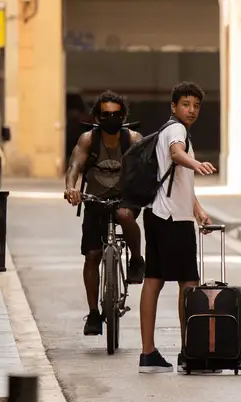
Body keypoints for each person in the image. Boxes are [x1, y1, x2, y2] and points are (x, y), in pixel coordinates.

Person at [137, 82, 218, 374]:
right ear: (174, 106)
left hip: (159, 214)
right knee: (189, 284)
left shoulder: (169, 128)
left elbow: (176, 179)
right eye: (186, 104)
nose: (192, 110)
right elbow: (176, 154)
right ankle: (192, 353)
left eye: (196, 105)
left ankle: (148, 354)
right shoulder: (176, 130)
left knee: (154, 279)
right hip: (173, 220)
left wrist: (198, 210)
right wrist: (196, 163)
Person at [64, 90, 146, 337]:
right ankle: (93, 313)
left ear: (124, 115)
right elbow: (74, 167)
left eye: (116, 114)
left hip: (126, 198)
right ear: (97, 117)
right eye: (105, 114)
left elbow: (146, 168)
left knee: (124, 214)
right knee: (92, 256)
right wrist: (71, 188)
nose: (111, 118)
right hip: (95, 200)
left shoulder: (132, 139)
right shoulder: (89, 140)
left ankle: (136, 259)